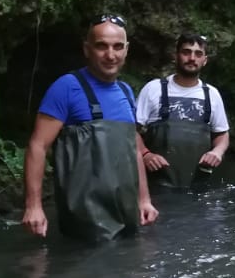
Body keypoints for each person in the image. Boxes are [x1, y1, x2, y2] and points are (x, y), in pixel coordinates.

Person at [23, 15, 158, 240]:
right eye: (101, 46)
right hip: (84, 220)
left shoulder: (126, 92)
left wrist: (144, 200)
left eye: (117, 47)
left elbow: (133, 149)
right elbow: (37, 146)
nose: (110, 55)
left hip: (127, 214)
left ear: (126, 50)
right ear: (87, 49)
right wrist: (33, 206)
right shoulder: (66, 87)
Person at [136, 32, 230, 188]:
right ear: (175, 56)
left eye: (198, 54)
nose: (192, 58)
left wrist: (217, 152)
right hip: (156, 188)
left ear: (204, 60)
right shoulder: (153, 89)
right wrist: (146, 154)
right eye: (186, 52)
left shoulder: (212, 94)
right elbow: (131, 130)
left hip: (198, 189)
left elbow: (222, 134)